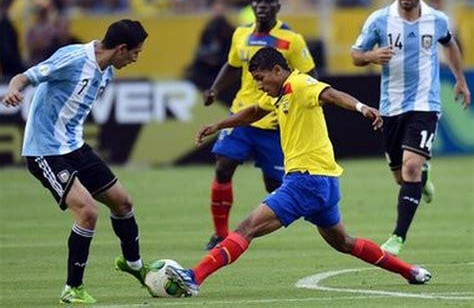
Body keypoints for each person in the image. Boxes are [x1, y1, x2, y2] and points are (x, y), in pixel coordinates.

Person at [165, 47, 432, 297]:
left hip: (306, 180)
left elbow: (330, 94)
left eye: (260, 78)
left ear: (278, 71)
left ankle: (193, 277)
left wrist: (362, 107)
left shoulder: (301, 85)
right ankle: (410, 271)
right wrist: (219, 125)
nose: (259, 85)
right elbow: (255, 111)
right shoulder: (277, 94)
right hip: (324, 182)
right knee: (343, 242)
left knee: (246, 228)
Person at [2, 19, 151, 304]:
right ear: (121, 48)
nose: (135, 58)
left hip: (74, 147)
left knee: (123, 203)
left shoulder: (107, 71)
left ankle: (133, 264)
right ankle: (72, 288)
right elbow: (25, 76)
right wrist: (13, 90)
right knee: (88, 212)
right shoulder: (72, 58)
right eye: (136, 52)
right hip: (45, 150)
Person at [351, 0, 471, 256]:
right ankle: (423, 175)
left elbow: (450, 44)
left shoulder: (436, 20)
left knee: (411, 168)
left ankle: (397, 237)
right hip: (391, 107)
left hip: (424, 104)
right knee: (401, 177)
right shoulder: (380, 20)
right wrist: (371, 55)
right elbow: (355, 55)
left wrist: (460, 80)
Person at [202, 0, 317, 250]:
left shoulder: (292, 39)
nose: (262, 6)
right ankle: (220, 234)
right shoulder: (240, 34)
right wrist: (215, 89)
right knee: (223, 165)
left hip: (275, 121)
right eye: (258, 1)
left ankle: (316, 216)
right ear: (251, 5)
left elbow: (310, 76)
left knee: (275, 185)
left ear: (278, 6)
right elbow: (232, 65)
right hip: (243, 114)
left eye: (268, 1)